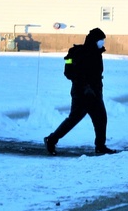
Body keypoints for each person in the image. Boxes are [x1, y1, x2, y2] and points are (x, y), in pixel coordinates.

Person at [44, 28, 117, 156]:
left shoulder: (97, 53)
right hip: (82, 94)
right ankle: (51, 139)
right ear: (93, 40)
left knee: (101, 119)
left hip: (95, 93)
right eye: (100, 40)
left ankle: (100, 146)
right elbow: (70, 72)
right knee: (74, 119)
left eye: (103, 40)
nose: (102, 43)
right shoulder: (79, 53)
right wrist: (85, 86)